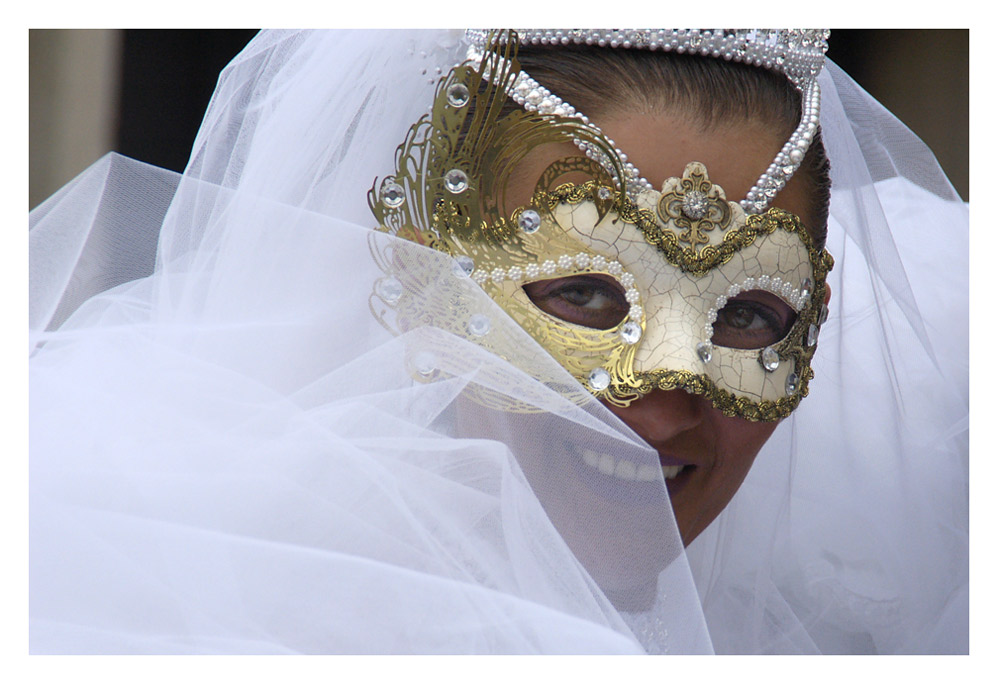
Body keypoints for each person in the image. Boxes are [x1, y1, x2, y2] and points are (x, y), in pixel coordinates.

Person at [29, 29, 968, 654]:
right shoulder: (138, 600)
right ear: (424, 278)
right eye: (586, 291)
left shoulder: (853, 614)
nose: (671, 381)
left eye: (748, 312)